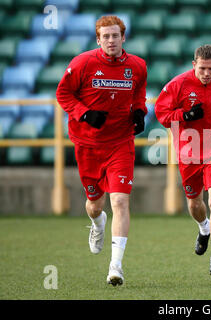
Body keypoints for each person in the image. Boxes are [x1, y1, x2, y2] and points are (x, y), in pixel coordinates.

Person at [56, 15, 147, 286]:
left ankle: (115, 267)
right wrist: (84, 114)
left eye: (115, 36)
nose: (110, 40)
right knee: (95, 205)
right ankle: (97, 224)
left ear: (123, 38)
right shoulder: (82, 63)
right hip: (88, 144)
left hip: (120, 142)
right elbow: (63, 94)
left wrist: (140, 111)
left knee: (119, 201)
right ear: (98, 39)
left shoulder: (138, 66)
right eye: (105, 36)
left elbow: (139, 91)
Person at [154, 44, 211, 276]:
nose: (207, 73)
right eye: (202, 68)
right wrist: (184, 115)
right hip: (189, 150)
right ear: (194, 65)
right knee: (195, 203)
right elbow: (161, 113)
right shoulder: (178, 84)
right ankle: (203, 228)